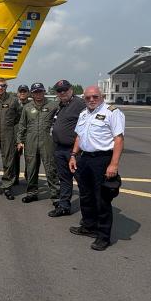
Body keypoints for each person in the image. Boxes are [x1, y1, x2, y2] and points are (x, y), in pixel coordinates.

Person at [69, 85, 125, 251]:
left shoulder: (112, 112)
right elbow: (79, 136)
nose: (91, 100)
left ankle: (103, 236)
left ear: (102, 96)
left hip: (102, 159)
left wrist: (113, 164)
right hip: (85, 158)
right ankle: (89, 226)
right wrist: (73, 155)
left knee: (102, 199)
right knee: (85, 196)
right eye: (88, 98)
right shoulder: (84, 113)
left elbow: (119, 139)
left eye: (95, 96)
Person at [48, 79, 86, 218]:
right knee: (64, 179)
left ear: (71, 90)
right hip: (60, 149)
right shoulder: (60, 105)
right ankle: (64, 206)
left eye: (65, 90)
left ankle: (88, 211)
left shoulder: (80, 104)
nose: (62, 92)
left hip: (74, 151)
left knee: (82, 181)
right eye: (59, 91)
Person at [17, 82, 60, 203]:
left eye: (40, 91)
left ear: (44, 92)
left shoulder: (54, 106)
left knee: (50, 168)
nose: (38, 94)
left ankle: (55, 196)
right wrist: (20, 141)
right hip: (31, 142)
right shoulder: (27, 108)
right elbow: (22, 126)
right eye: (36, 92)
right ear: (32, 94)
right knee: (31, 169)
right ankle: (32, 193)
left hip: (47, 142)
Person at [13, 84, 32, 187]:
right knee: (15, 158)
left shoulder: (32, 105)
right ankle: (15, 178)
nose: (23, 93)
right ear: (18, 93)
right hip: (16, 135)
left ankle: (29, 177)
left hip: (29, 135)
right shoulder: (13, 104)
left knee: (29, 158)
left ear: (28, 93)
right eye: (21, 91)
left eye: (25, 91)